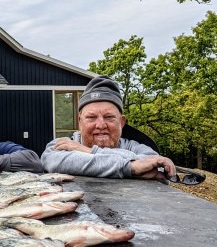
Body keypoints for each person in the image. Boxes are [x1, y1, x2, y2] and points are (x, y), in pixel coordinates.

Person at [41, 75, 176, 180]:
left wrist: (86, 151)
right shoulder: (62, 145)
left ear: (122, 122)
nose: (100, 125)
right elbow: (52, 160)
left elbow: (155, 165)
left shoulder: (137, 147)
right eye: (91, 117)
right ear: (79, 122)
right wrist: (130, 167)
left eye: (109, 117)